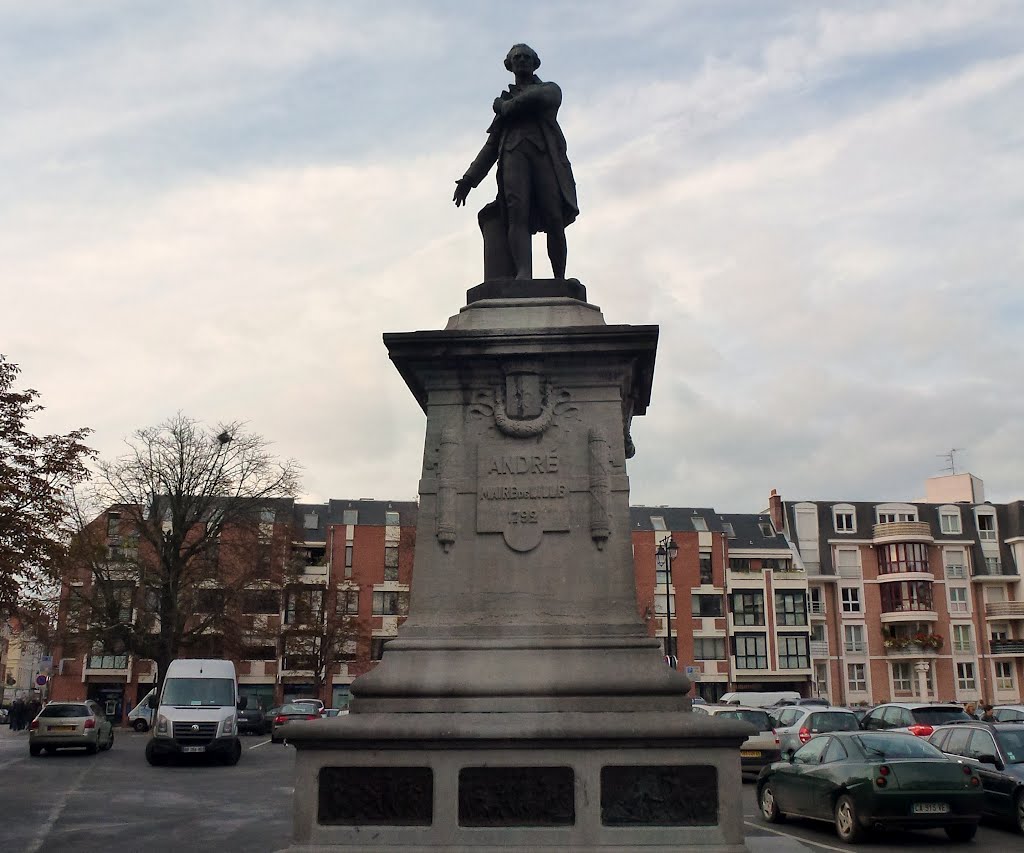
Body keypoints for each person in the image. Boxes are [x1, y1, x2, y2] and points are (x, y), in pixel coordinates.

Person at [454, 43, 579, 280]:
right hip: (513, 157)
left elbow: (541, 97)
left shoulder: (549, 89)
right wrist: (469, 180)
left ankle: (559, 278)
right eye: (517, 57)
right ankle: (523, 273)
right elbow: (491, 148)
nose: (522, 60)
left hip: (545, 158)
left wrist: (505, 106)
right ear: (509, 65)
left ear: (534, 63)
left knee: (554, 217)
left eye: (526, 57)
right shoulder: (506, 110)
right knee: (516, 214)